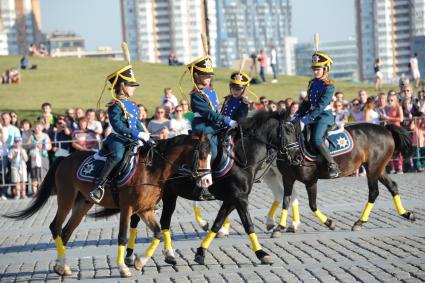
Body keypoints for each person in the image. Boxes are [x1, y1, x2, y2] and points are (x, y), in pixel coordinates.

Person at [89, 61, 150, 203]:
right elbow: (118, 127)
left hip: (134, 138)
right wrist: (137, 134)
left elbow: (136, 122)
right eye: (131, 85)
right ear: (122, 86)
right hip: (118, 138)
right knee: (117, 156)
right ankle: (99, 185)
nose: (134, 89)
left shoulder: (133, 104)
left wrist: (145, 134)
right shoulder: (114, 105)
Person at [294, 36, 340, 178]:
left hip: (324, 117)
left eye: (318, 69)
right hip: (311, 115)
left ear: (325, 69)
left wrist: (307, 119)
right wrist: (297, 115)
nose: (315, 71)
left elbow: (321, 106)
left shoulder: (329, 85)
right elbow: (307, 102)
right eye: (314, 69)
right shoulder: (312, 83)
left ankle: (333, 165)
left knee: (316, 139)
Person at [28, 122, 51, 195]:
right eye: (36, 127)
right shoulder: (32, 136)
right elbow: (26, 146)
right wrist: (32, 146)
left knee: (43, 173)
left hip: (43, 157)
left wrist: (42, 147)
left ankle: (42, 191)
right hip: (34, 158)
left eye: (39, 127)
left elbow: (49, 146)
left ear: (42, 128)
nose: (37, 129)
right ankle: (35, 192)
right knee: (34, 174)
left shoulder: (45, 136)